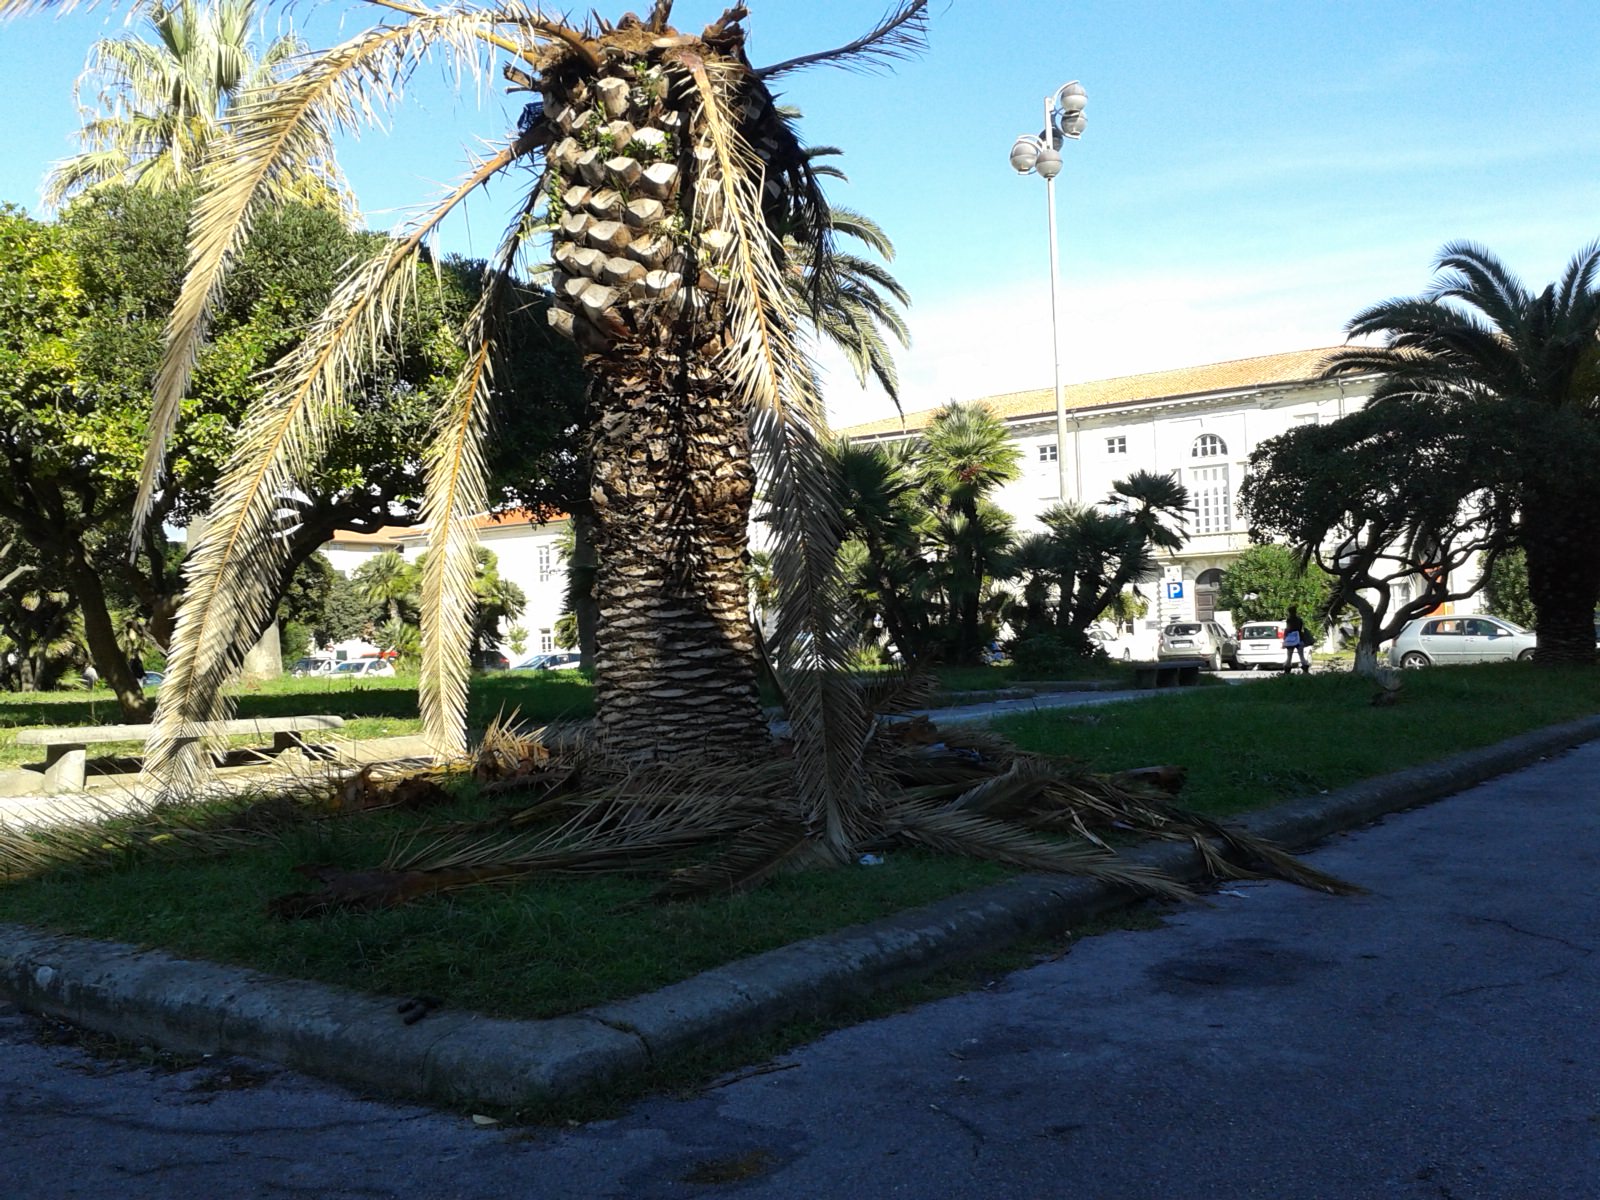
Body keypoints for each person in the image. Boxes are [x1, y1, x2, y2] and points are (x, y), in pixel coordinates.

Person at [1283, 605, 1311, 674]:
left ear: (1289, 612)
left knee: (1289, 655)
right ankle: (1305, 669)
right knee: (1301, 655)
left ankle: (1287, 670)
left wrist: (1285, 637)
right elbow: (1301, 628)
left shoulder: (1289, 620)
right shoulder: (1299, 619)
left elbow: (1288, 629)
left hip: (1291, 638)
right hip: (1299, 638)